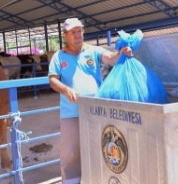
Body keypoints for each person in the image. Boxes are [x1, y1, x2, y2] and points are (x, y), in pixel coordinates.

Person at [48, 18, 133, 184]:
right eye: (73, 32)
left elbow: (110, 57)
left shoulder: (93, 50)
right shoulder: (58, 57)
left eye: (79, 31)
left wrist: (121, 53)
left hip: (96, 112)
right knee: (71, 152)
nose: (77, 35)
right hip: (71, 112)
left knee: (99, 148)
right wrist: (66, 90)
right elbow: (53, 80)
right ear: (65, 35)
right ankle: (72, 181)